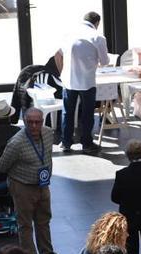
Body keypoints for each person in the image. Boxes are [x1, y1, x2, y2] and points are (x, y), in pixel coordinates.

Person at [0, 107, 69, 254]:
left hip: (43, 184)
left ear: (43, 121)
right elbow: (2, 166)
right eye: (30, 122)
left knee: (44, 219)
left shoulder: (49, 133)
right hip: (22, 185)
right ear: (24, 121)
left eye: (38, 122)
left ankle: (46, 253)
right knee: (25, 223)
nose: (34, 126)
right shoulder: (16, 143)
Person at [59, 12, 108, 154]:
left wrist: (62, 72)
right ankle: (86, 143)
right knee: (87, 113)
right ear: (97, 23)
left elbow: (59, 54)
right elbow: (105, 61)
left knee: (67, 112)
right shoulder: (98, 37)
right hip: (87, 81)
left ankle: (65, 142)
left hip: (68, 80)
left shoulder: (68, 34)